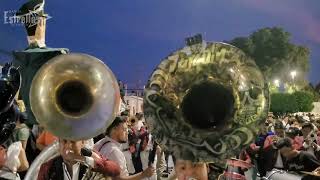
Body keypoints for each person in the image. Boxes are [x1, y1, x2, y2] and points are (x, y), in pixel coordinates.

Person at [37, 138, 121, 180]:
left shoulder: (92, 156)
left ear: (83, 142)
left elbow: (116, 170)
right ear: (59, 143)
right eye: (64, 141)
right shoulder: (47, 167)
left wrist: (83, 159)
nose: (68, 146)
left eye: (73, 141)